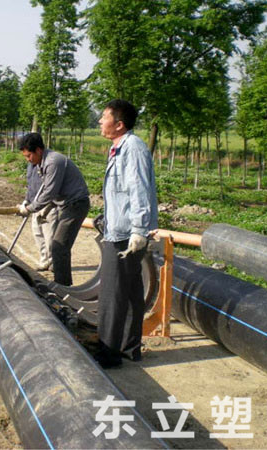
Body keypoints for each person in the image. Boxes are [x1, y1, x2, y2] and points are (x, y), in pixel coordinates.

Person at [95, 99, 158, 369]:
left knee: (112, 294)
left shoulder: (133, 148)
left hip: (125, 235)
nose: (100, 121)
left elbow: (139, 189)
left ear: (119, 124)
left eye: (104, 117)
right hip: (121, 229)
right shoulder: (119, 148)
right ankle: (129, 348)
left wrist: (139, 230)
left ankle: (108, 353)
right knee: (132, 291)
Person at [16, 132, 90, 286]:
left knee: (59, 246)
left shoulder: (53, 162)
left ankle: (63, 287)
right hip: (64, 204)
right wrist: (30, 203)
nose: (28, 159)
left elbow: (50, 191)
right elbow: (42, 189)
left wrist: (29, 209)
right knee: (59, 246)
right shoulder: (40, 163)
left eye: (29, 155)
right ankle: (62, 284)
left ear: (38, 150)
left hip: (76, 204)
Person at [25, 162, 59, 271]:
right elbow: (30, 186)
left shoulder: (49, 165)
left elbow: (51, 188)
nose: (28, 159)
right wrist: (27, 200)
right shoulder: (30, 166)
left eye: (29, 155)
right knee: (37, 233)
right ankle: (44, 260)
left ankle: (53, 262)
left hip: (48, 205)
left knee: (49, 236)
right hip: (35, 205)